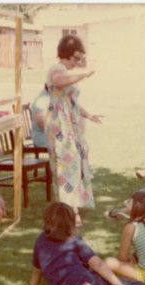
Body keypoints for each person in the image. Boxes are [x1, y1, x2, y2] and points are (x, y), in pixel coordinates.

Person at [16, 202, 145, 285]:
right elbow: (98, 264)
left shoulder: (41, 240)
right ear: (71, 223)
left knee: (99, 282)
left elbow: (36, 270)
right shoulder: (75, 240)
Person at [45, 35, 102, 227]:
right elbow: (59, 82)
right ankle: (71, 212)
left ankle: (70, 207)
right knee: (67, 165)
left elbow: (72, 102)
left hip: (71, 124)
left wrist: (88, 115)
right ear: (66, 55)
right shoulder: (57, 69)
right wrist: (83, 75)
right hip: (60, 125)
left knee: (75, 164)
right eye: (75, 58)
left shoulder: (65, 71)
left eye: (79, 59)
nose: (77, 63)